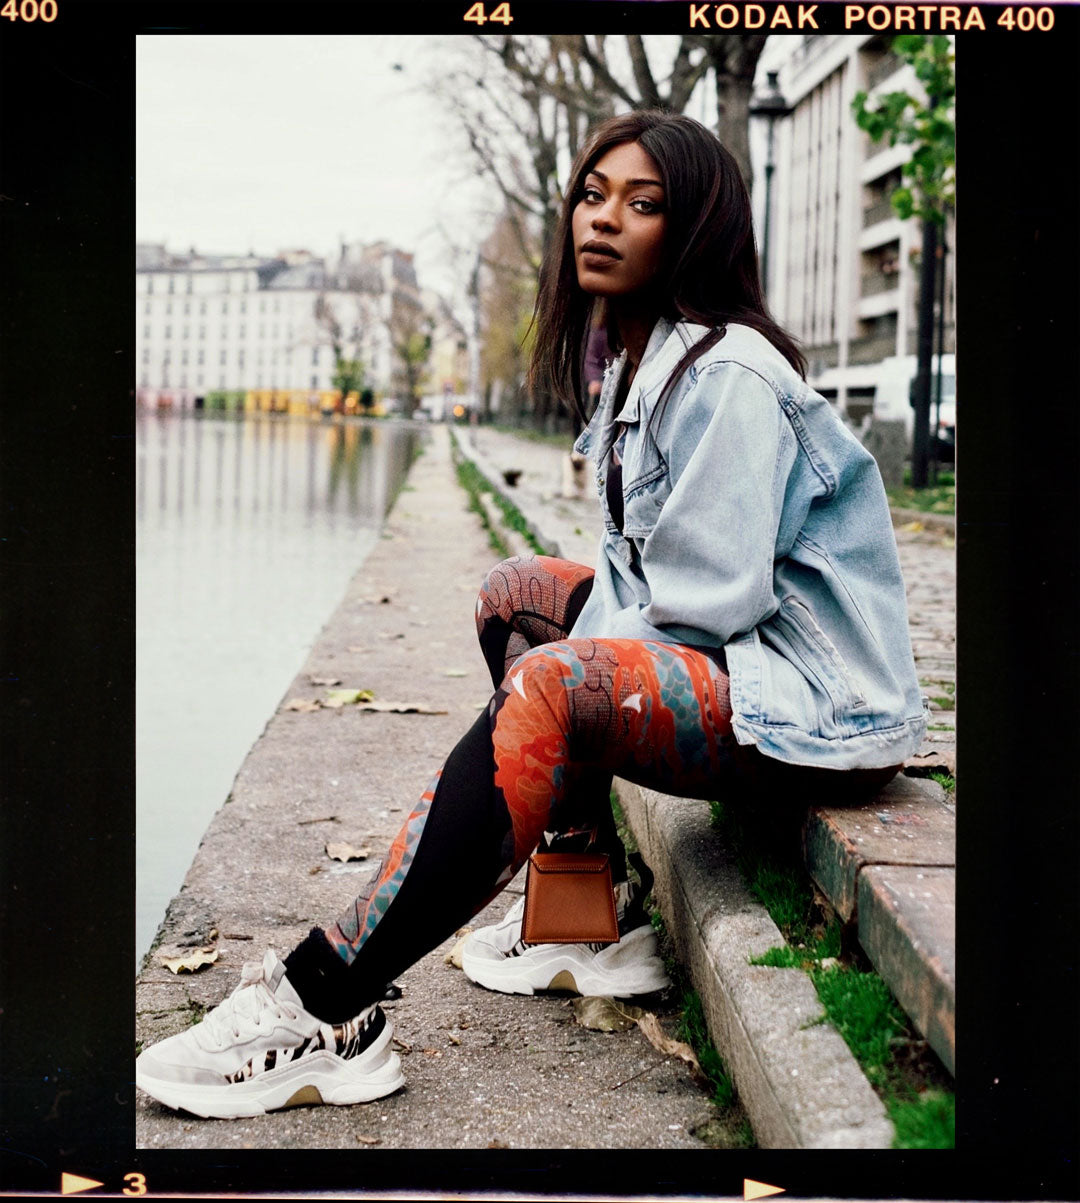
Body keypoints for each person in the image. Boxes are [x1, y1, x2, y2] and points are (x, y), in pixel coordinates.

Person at [135, 111, 927, 1120]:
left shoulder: (727, 373)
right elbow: (641, 591)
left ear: (696, 233)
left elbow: (699, 610)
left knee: (551, 684)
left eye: (644, 206)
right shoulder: (642, 361)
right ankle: (575, 922)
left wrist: (537, 698)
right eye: (592, 196)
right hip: (748, 665)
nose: (604, 221)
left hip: (818, 710)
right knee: (517, 595)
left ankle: (323, 1006)